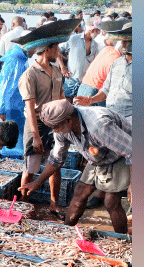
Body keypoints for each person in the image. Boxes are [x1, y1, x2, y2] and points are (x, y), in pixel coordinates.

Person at [19, 99, 131, 233]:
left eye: (56, 126)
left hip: (121, 154)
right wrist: (37, 182)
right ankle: (66, 233)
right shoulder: (62, 128)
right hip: (98, 156)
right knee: (79, 193)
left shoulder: (99, 125)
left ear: (68, 121)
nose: (55, 130)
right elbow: (56, 159)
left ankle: (122, 239)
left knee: (111, 201)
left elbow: (131, 151)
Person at [12, 19, 80, 218]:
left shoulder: (57, 71)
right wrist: (36, 136)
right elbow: (30, 109)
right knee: (31, 168)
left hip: (55, 125)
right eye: (56, 48)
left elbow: (60, 98)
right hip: (37, 124)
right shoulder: (30, 75)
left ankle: (53, 203)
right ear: (48, 49)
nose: (59, 51)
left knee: (55, 165)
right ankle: (25, 204)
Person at [76, 22, 132, 120]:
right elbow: (106, 90)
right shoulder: (117, 63)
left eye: (128, 41)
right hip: (111, 115)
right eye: (122, 40)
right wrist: (91, 100)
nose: (123, 43)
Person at [59, 19, 99, 101]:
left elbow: (95, 63)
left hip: (85, 84)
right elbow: (57, 51)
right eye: (97, 30)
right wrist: (63, 67)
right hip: (71, 80)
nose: (99, 33)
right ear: (92, 30)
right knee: (67, 106)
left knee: (80, 109)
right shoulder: (73, 39)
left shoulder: (95, 45)